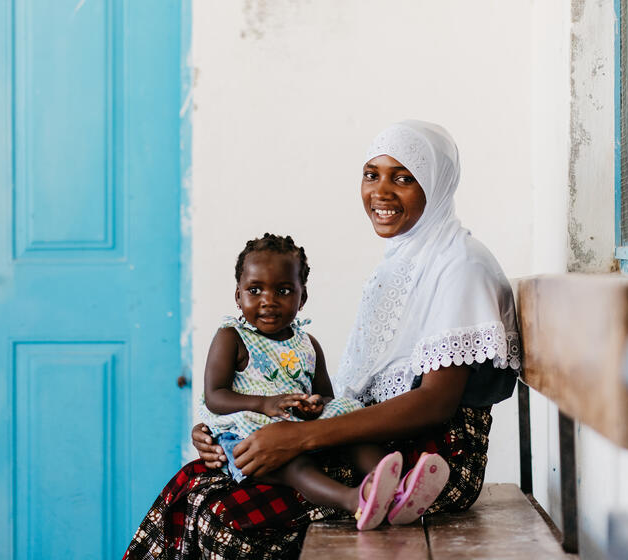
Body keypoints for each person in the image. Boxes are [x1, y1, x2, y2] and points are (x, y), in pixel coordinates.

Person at [124, 120, 521, 560]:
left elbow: (434, 405)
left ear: (437, 184)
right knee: (196, 480)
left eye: (404, 177)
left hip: (436, 454)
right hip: (385, 441)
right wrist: (226, 433)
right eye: (372, 174)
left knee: (218, 510)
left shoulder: (460, 266)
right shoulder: (404, 261)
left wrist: (299, 439)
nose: (381, 192)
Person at [199, 233, 449, 531]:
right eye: (255, 290)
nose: (268, 301)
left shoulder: (308, 345)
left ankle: (397, 490)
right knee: (297, 468)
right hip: (248, 440)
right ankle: (355, 499)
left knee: (352, 428)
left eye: (283, 290)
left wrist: (314, 406)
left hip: (296, 430)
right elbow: (215, 396)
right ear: (238, 296)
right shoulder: (232, 338)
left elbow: (326, 398)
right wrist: (265, 404)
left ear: (302, 298)